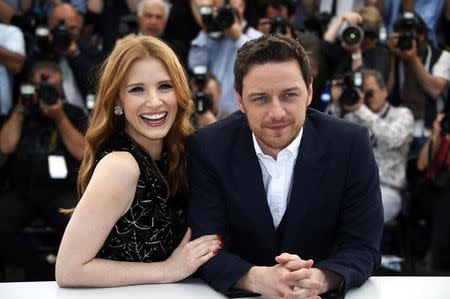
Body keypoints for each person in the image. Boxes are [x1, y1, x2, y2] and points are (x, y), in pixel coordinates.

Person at [187, 34, 383, 298]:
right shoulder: (208, 147)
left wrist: (320, 279)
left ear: (310, 92)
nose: (277, 112)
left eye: (289, 95)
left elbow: (363, 245)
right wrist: (255, 279)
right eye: (260, 99)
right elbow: (205, 247)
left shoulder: (350, 144)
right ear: (240, 100)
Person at [55, 35, 222, 287]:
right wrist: (167, 270)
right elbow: (69, 270)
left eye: (165, 86)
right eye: (137, 89)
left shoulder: (178, 154)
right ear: (117, 101)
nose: (154, 101)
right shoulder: (120, 166)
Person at [0, 60, 87, 280]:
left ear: (61, 85)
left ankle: (66, 272)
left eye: (52, 84)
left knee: (82, 229)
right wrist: (20, 109)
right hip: (22, 189)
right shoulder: (21, 110)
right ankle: (40, 271)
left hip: (61, 190)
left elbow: (82, 152)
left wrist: (59, 117)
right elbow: (5, 145)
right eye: (41, 85)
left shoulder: (73, 112)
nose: (47, 90)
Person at [327, 69, 414, 223]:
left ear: (385, 91)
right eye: (361, 93)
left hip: (386, 189)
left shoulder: (402, 114)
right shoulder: (352, 116)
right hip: (351, 188)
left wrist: (361, 109)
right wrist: (337, 102)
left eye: (369, 93)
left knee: (359, 218)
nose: (364, 99)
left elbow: (394, 138)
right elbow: (327, 136)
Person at [188, 0, 262, 115]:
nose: (224, 8)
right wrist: (206, 29)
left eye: (228, 4)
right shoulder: (213, 37)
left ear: (241, 6)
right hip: (213, 112)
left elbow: (259, 65)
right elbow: (196, 66)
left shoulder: (257, 37)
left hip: (242, 113)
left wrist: (238, 37)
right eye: (221, 6)